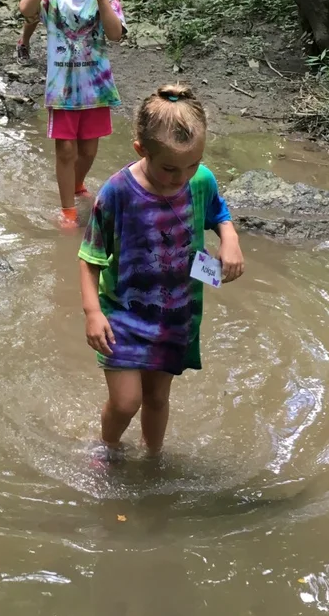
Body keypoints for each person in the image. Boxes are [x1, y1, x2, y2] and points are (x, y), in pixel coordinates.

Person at [78, 85, 244, 457]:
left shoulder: (200, 180)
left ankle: (153, 455)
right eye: (169, 168)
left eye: (191, 165)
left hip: (174, 316)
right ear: (141, 149)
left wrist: (229, 238)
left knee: (157, 398)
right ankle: (108, 448)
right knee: (126, 402)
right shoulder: (118, 192)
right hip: (122, 314)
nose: (180, 177)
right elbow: (90, 257)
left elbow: (219, 213)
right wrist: (92, 313)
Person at [18, 0, 125, 227]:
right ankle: (68, 210)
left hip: (96, 88)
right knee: (66, 149)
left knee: (89, 149)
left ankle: (77, 184)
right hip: (62, 88)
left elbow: (115, 35)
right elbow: (25, 9)